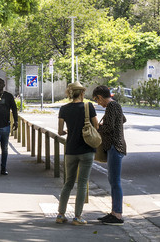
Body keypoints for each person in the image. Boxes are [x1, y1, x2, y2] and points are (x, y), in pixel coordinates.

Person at [55, 83, 94, 223]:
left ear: (70, 93)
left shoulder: (64, 109)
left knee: (68, 183)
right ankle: (78, 217)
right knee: (82, 183)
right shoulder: (88, 106)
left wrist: (69, 131)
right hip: (86, 149)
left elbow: (60, 131)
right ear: (82, 93)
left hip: (71, 150)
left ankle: (60, 214)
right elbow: (95, 125)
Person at [93, 85, 128, 225]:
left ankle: (117, 214)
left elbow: (109, 127)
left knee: (115, 181)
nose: (98, 103)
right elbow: (123, 119)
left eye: (97, 100)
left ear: (100, 97)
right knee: (113, 180)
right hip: (116, 146)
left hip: (115, 146)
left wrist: (97, 127)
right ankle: (114, 212)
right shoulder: (115, 105)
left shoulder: (112, 106)